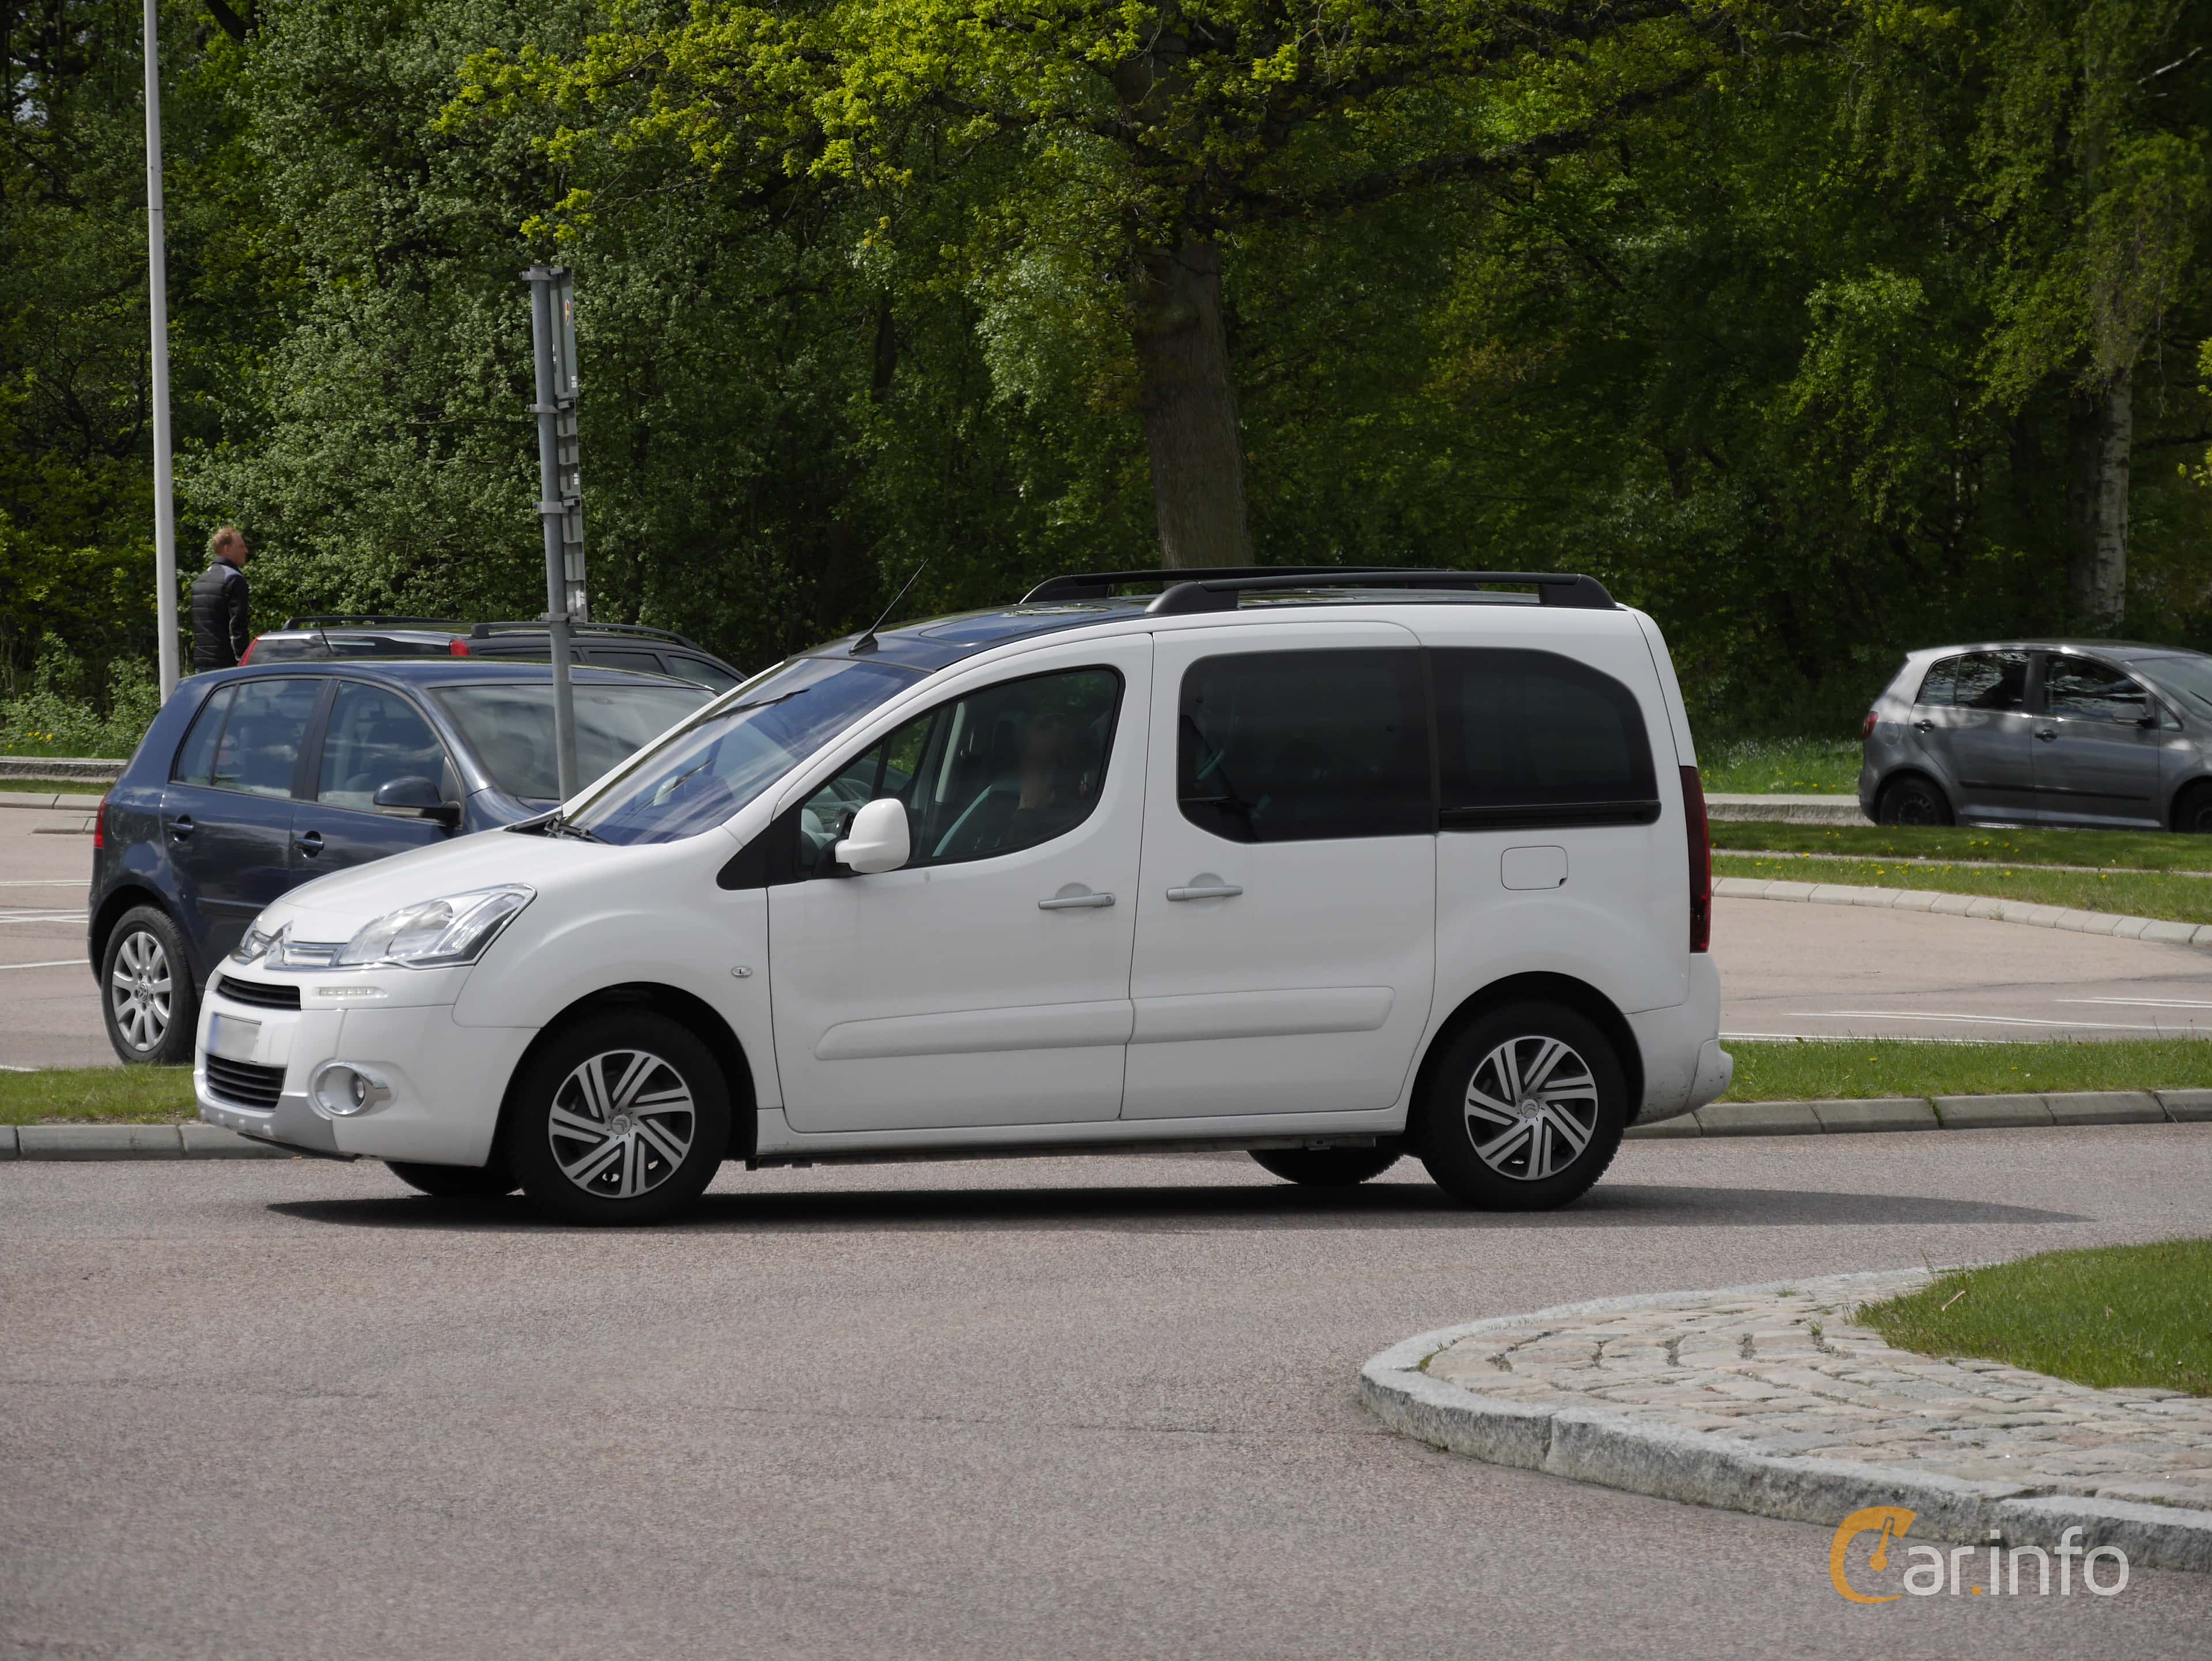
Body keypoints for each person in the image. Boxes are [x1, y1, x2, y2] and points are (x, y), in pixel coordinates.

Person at [190, 526, 252, 671]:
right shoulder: (234, 580)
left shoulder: (201, 580)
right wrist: (243, 661)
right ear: (227, 549)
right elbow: (237, 626)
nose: (246, 551)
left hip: (201, 661)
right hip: (226, 663)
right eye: (241, 546)